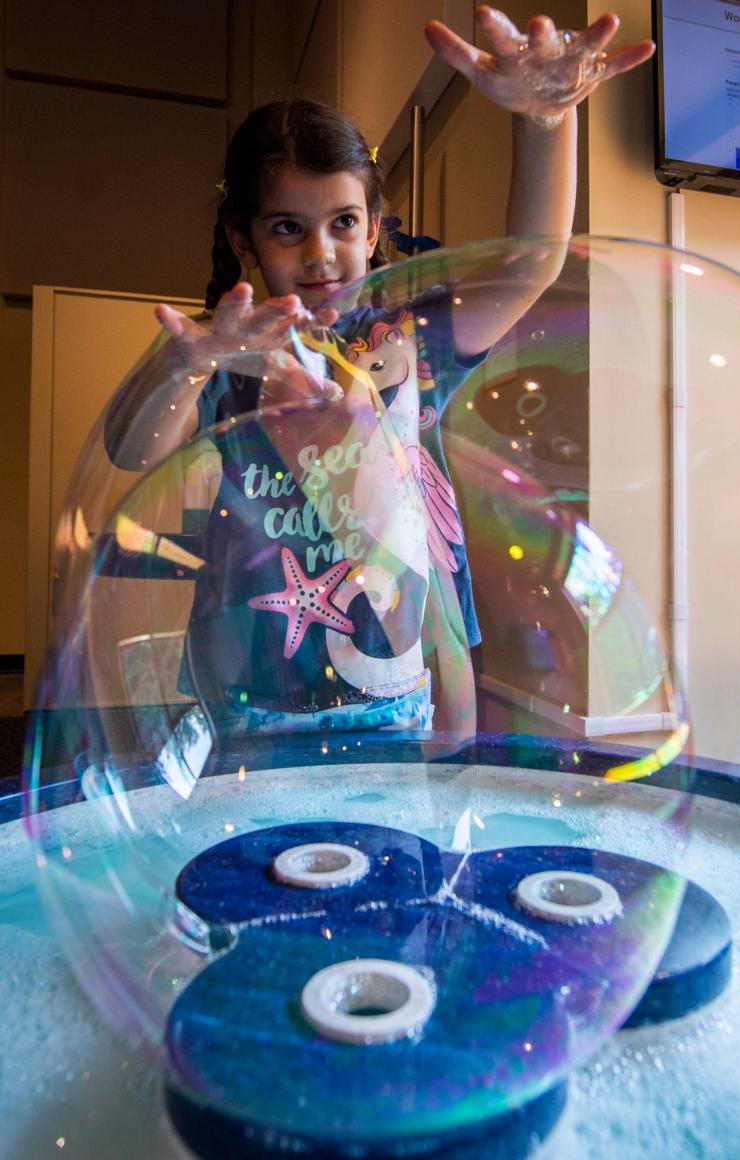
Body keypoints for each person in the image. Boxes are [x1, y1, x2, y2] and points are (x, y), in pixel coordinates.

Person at [105, 8, 655, 739]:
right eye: (287, 229)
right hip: (248, 689)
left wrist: (546, 122)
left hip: (391, 687)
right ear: (244, 238)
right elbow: (132, 449)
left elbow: (531, 265)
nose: (322, 255)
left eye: (342, 222)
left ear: (373, 226)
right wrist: (190, 361)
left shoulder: (410, 338)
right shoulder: (232, 355)